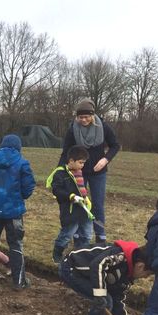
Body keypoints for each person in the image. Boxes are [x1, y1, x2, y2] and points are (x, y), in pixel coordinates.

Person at [59, 241, 152, 315]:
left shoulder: (127, 275)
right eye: (146, 274)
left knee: (109, 300)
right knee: (106, 300)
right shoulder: (119, 256)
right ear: (140, 266)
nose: (145, 278)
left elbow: (118, 298)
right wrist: (100, 295)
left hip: (86, 275)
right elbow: (98, 265)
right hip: (71, 268)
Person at [0, 134, 36, 289]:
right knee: (16, 245)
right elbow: (28, 187)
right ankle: (19, 282)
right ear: (18, 147)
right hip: (14, 212)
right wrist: (19, 197)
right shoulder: (23, 163)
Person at [58, 98, 120, 245]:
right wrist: (60, 170)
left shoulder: (103, 127)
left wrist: (105, 159)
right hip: (78, 173)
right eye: (80, 117)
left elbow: (115, 145)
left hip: (99, 172)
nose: (83, 120)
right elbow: (65, 151)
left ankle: (100, 236)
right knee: (80, 203)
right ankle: (79, 236)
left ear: (92, 115)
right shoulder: (73, 129)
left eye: (86, 117)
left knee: (97, 204)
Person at [47, 145, 94, 263]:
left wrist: (86, 199)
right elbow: (57, 190)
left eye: (84, 163)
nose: (82, 165)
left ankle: (80, 256)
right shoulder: (60, 174)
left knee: (86, 235)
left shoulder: (79, 173)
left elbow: (82, 188)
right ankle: (56, 254)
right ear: (71, 161)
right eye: (80, 162)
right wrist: (71, 196)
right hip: (70, 211)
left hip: (84, 210)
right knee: (67, 234)